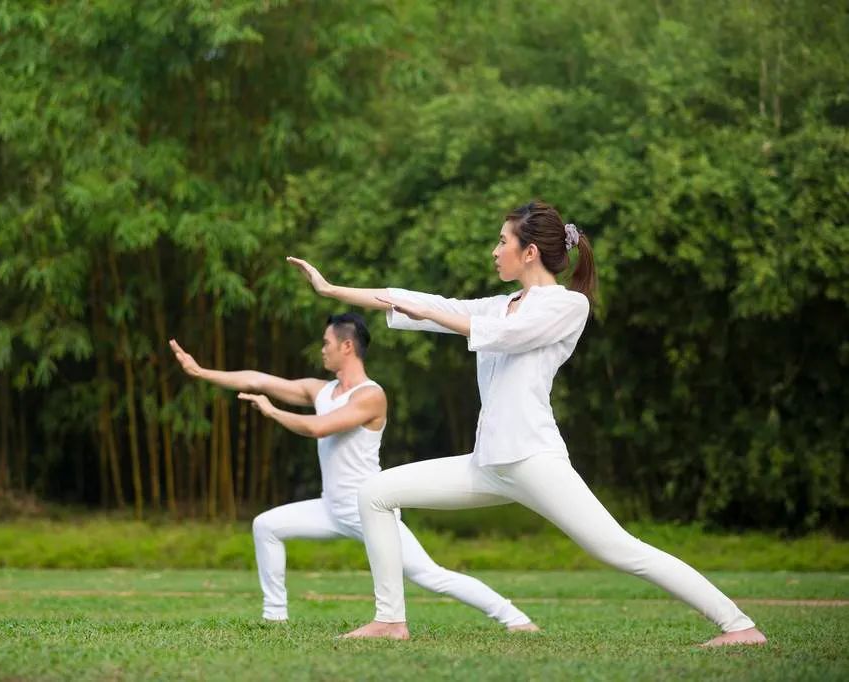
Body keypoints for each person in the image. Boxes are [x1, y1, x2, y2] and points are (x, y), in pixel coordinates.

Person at [287, 200, 767, 646]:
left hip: (533, 459)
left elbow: (508, 337)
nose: (495, 251)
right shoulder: (499, 304)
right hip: (488, 463)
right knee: (375, 493)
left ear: (530, 251)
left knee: (621, 550)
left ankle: (739, 626)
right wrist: (332, 289)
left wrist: (434, 311)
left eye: (502, 242)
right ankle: (390, 620)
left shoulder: (566, 306)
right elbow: (415, 299)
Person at [168, 315, 536, 635]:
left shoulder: (371, 396)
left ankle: (514, 617)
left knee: (428, 575)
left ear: (347, 346)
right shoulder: (321, 390)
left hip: (369, 508)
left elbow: (319, 429)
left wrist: (273, 413)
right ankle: (274, 617)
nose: (322, 349)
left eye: (326, 343)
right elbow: (259, 380)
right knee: (266, 526)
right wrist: (202, 372)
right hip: (332, 507)